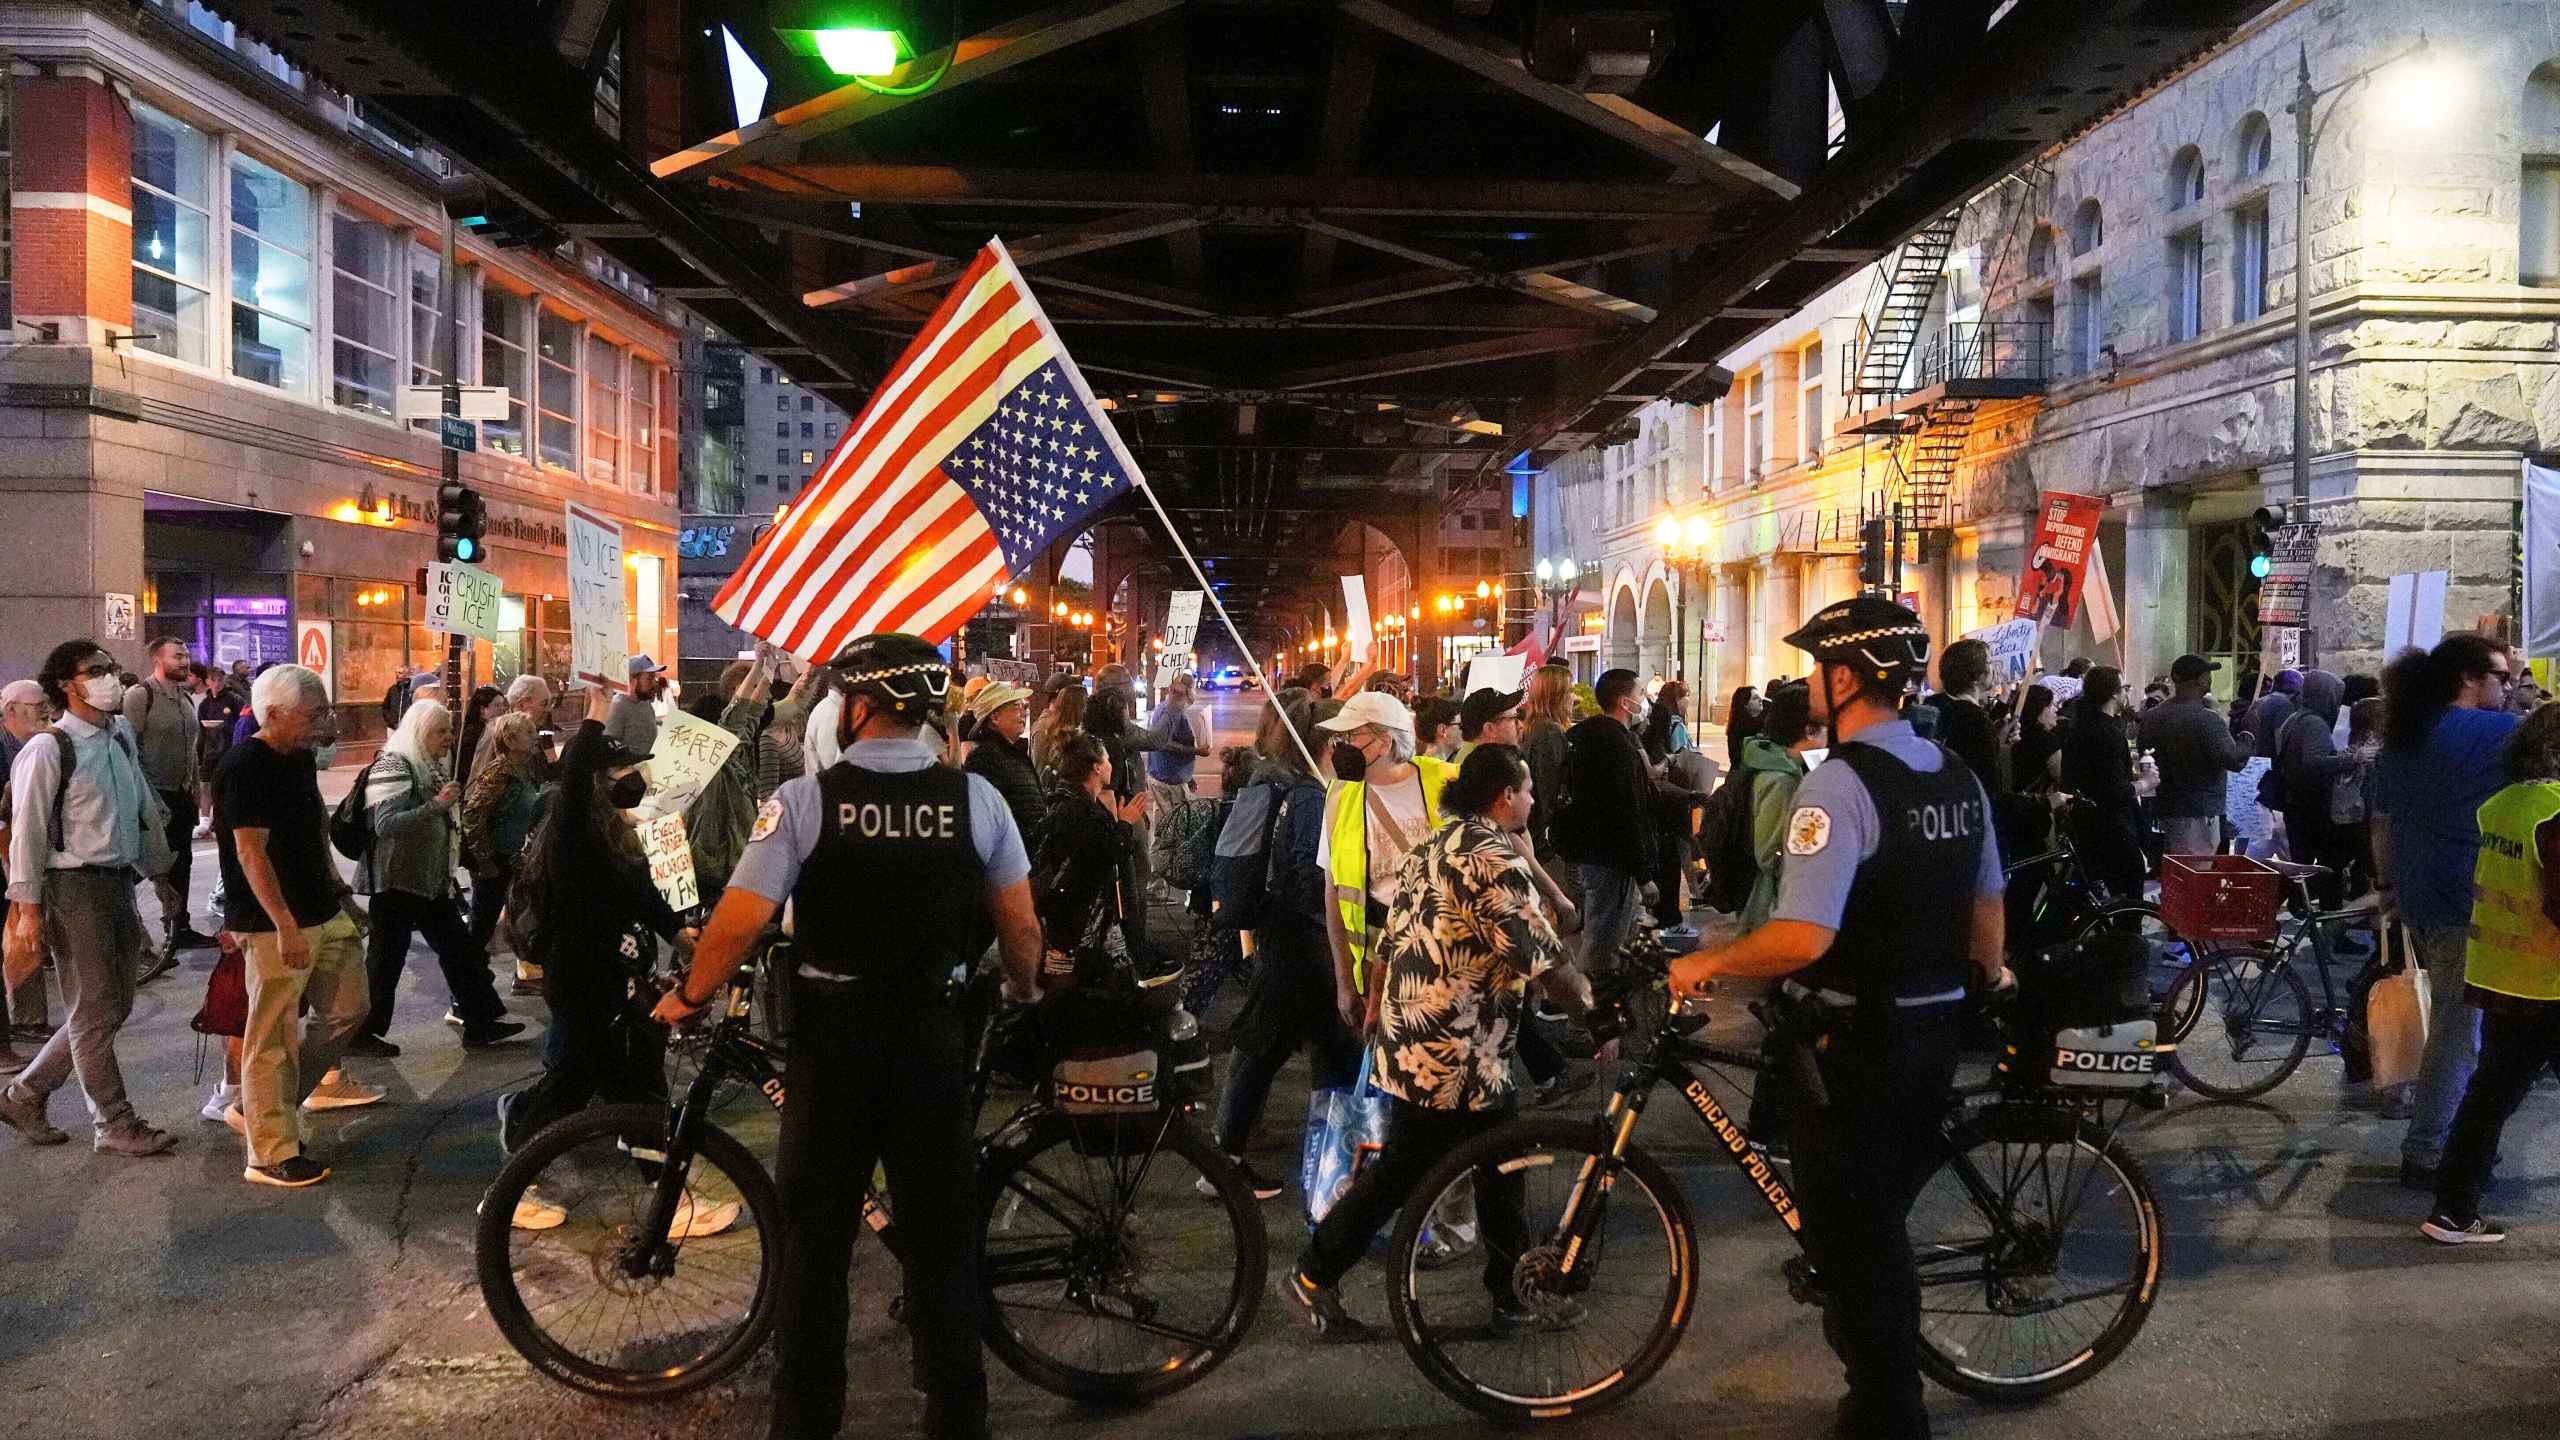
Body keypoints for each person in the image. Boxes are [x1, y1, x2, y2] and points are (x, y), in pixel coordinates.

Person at [650, 632, 1043, 1440]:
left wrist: (689, 995)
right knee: (939, 1233)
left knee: (815, 1242)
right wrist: (1022, 988)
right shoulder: (978, 801)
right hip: (932, 1038)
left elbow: (739, 922)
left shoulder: (802, 802)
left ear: (858, 706)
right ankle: (955, 1410)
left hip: (834, 1043)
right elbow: (1021, 927)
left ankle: (806, 1417)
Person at [1667, 597, 2007, 1440]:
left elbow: (1801, 935)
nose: (1809, 683)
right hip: (1933, 1030)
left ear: (1847, 676)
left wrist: (1705, 961)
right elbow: (1989, 910)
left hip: (1860, 1042)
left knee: (1861, 1236)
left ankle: (1891, 1412)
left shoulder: (1839, 783)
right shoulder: (1956, 776)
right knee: (1870, 1216)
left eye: (1818, 668)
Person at [1283, 743, 1595, 1338]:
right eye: (1527, 790)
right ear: (1505, 797)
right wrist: (1591, 1003)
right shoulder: (1488, 859)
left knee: (1501, 1165)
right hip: (1453, 1053)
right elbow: (1542, 960)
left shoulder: (1435, 843)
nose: (1533, 799)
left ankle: (1511, 1290)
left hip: (1430, 1041)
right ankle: (1313, 1274)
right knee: (1408, 1173)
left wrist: (1373, 1000)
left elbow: (1388, 939)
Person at [496, 684, 697, 1206]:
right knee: (583, 1083)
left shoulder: (611, 835)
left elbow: (637, 889)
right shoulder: (571, 830)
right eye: (622, 772)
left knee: (627, 1080)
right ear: (596, 781)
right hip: (582, 974)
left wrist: (675, 930)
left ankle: (661, 1191)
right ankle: (511, 1188)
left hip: (611, 974)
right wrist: (595, 712)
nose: (633, 779)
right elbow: (573, 772)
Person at [0, 640, 176, 1155]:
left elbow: (141, 806)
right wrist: (28, 910)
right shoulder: (48, 747)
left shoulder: (117, 735)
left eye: (111, 669)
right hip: (73, 889)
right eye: (94, 671)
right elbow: (27, 833)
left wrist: (159, 874)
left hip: (117, 883)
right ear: (65, 684)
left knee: (108, 1007)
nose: (109, 679)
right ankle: (115, 1122)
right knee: (96, 1010)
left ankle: (24, 1094)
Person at [215, 664, 376, 1187]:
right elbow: (249, 852)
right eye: (313, 714)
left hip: (323, 910)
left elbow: (312, 832)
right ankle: (270, 1152)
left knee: (351, 1009)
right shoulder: (244, 765)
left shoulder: (300, 759)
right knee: (272, 1037)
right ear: (275, 714)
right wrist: (282, 923)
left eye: (324, 711)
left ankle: (263, 1106)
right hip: (270, 922)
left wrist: (338, 890)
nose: (322, 723)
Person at [2375, 633, 2520, 1187]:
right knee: (2460, 1031)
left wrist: (2388, 887)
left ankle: (2453, 1137)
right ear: (2468, 678)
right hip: (2469, 896)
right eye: (2500, 677)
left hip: (2419, 896)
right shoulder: (2496, 734)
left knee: (2460, 1024)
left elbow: (2381, 823)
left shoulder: (2404, 736)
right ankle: (2430, 1148)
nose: (2507, 689)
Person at [2424, 702, 2560, 1243]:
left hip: (2504, 978)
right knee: (2491, 1096)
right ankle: (2454, 1209)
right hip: (2549, 982)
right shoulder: (2553, 811)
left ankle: (2452, 1210)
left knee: (2489, 1097)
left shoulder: (2503, 805)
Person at [349, 699, 521, 1054]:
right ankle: (360, 1033)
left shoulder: (429, 764)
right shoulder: (395, 765)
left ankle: (480, 1021)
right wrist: (437, 805)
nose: (449, 738)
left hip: (427, 882)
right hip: (396, 881)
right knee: (386, 961)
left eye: (450, 730)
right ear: (419, 731)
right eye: (440, 731)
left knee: (459, 952)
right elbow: (386, 825)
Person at [1315, 691, 1457, 1028]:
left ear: (1385, 742)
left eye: (1351, 736)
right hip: (1377, 964)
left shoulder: (1450, 782)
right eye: (1340, 737)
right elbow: (1333, 891)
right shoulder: (1339, 797)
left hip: (1448, 956)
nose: (1341, 746)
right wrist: (1345, 981)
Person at [1553, 669, 1659, 975]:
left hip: (1593, 852)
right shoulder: (1617, 746)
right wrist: (1643, 873)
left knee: (1609, 935)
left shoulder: (1585, 737)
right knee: (1602, 940)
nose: (1645, 700)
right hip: (1611, 859)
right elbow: (1627, 811)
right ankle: (1588, 1013)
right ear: (1625, 703)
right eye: (1641, 694)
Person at [1030, 733, 1150, 986]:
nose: (1110, 765)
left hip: (1088, 919)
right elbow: (1104, 854)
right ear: (1096, 767)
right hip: (1077, 918)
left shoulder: (1077, 804)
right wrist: (1125, 824)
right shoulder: (1076, 810)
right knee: (1067, 984)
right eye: (1106, 760)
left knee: (1107, 982)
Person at [124, 635, 215, 963]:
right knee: (142, 867)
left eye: (186, 654)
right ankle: (129, 931)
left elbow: (191, 749)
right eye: (177, 656)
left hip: (180, 796)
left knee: (182, 863)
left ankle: (178, 928)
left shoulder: (185, 698)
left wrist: (192, 786)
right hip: (152, 795)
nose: (184, 660)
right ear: (157, 660)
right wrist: (142, 795)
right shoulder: (140, 696)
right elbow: (128, 748)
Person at [2138, 654, 2254, 856]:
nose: (2210, 678)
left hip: (2164, 808)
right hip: (2199, 812)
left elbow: (2145, 753)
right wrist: (2248, 735)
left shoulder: (2152, 717)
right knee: (2196, 873)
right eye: (2207, 674)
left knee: (2175, 871)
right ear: (2200, 680)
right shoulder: (2206, 719)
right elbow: (2234, 759)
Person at [0, 679, 55, 1066]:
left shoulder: (35, 744)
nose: (43, 714)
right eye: (35, 708)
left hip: (22, 857)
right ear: (10, 711)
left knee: (27, 943)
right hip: (8, 856)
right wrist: (11, 868)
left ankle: (30, 1020)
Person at [459, 712, 545, 956]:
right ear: (509, 740)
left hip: (510, 858)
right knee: (481, 926)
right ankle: (467, 980)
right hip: (494, 861)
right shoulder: (499, 773)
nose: (535, 736)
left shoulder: (522, 770)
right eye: (528, 733)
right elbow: (472, 815)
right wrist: (485, 860)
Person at [2271, 670, 2360, 905]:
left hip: (2295, 802)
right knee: (2328, 866)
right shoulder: (2314, 723)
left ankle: (2301, 906)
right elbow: (2315, 763)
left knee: (2303, 862)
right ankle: (2330, 923)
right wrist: (2352, 759)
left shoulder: (2295, 718)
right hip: (2314, 806)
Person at [1739, 683, 1822, 930]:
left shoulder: (1778, 766)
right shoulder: (1780, 780)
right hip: (1772, 908)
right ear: (1809, 730)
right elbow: (1770, 855)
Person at [2060, 667, 2147, 901]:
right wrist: (2145, 785)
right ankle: (2124, 936)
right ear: (2113, 694)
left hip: (2086, 820)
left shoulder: (2080, 727)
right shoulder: (2106, 732)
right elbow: (2114, 790)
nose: (2127, 693)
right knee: (2129, 884)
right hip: (2111, 823)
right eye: (2125, 688)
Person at [960, 682, 1042, 840]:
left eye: (1023, 707)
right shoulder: (984, 759)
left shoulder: (1010, 753)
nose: (1023, 712)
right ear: (995, 717)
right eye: (1016, 706)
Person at [1923, 639, 2002, 789]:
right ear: (1975, 677)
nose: (1994, 668)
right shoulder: (1975, 721)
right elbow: (1988, 789)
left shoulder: (1932, 707)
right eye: (1989, 662)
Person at [1520, 664, 1574, 867]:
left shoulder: (1535, 728)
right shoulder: (1549, 732)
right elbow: (1548, 791)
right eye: (1570, 691)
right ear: (1555, 696)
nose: (1574, 698)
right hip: (1547, 845)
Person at [606, 654, 667, 761]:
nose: (654, 683)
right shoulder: (617, 707)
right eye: (649, 679)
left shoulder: (645, 702)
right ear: (632, 680)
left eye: (654, 678)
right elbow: (607, 749)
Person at [1455, 685, 1525, 768]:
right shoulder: (1484, 769)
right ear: (1489, 729)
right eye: (1513, 718)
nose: (1521, 725)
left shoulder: (1473, 760)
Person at [2248, 669, 2304, 758]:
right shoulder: (2284, 705)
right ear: (2296, 690)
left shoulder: (2258, 702)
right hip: (2270, 761)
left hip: (2254, 760)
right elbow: (2280, 739)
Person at [1725, 685, 1765, 770]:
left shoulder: (1763, 722)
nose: (1760, 700)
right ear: (1745, 704)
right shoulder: (1740, 729)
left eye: (1759, 697)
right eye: (1755, 698)